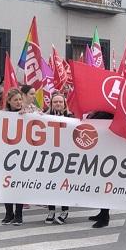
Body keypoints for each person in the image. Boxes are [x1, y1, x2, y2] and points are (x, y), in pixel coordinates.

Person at [46, 92, 73, 224]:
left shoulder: (71, 117)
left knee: (64, 184)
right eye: (55, 102)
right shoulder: (45, 117)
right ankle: (51, 210)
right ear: (51, 104)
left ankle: (64, 210)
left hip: (66, 157)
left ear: (64, 104)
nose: (58, 104)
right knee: (51, 183)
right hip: (50, 156)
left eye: (60, 102)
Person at [0, 89, 26, 225]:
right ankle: (8, 213)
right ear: (9, 101)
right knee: (6, 184)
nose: (18, 102)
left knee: (19, 185)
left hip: (22, 156)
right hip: (6, 155)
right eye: (15, 100)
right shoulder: (2, 115)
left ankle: (19, 214)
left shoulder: (27, 114)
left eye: (20, 99)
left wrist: (27, 115)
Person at [86, 111, 115, 229]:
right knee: (99, 185)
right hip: (98, 151)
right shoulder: (97, 112)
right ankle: (102, 213)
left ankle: (105, 217)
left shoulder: (109, 112)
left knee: (105, 186)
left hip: (107, 152)